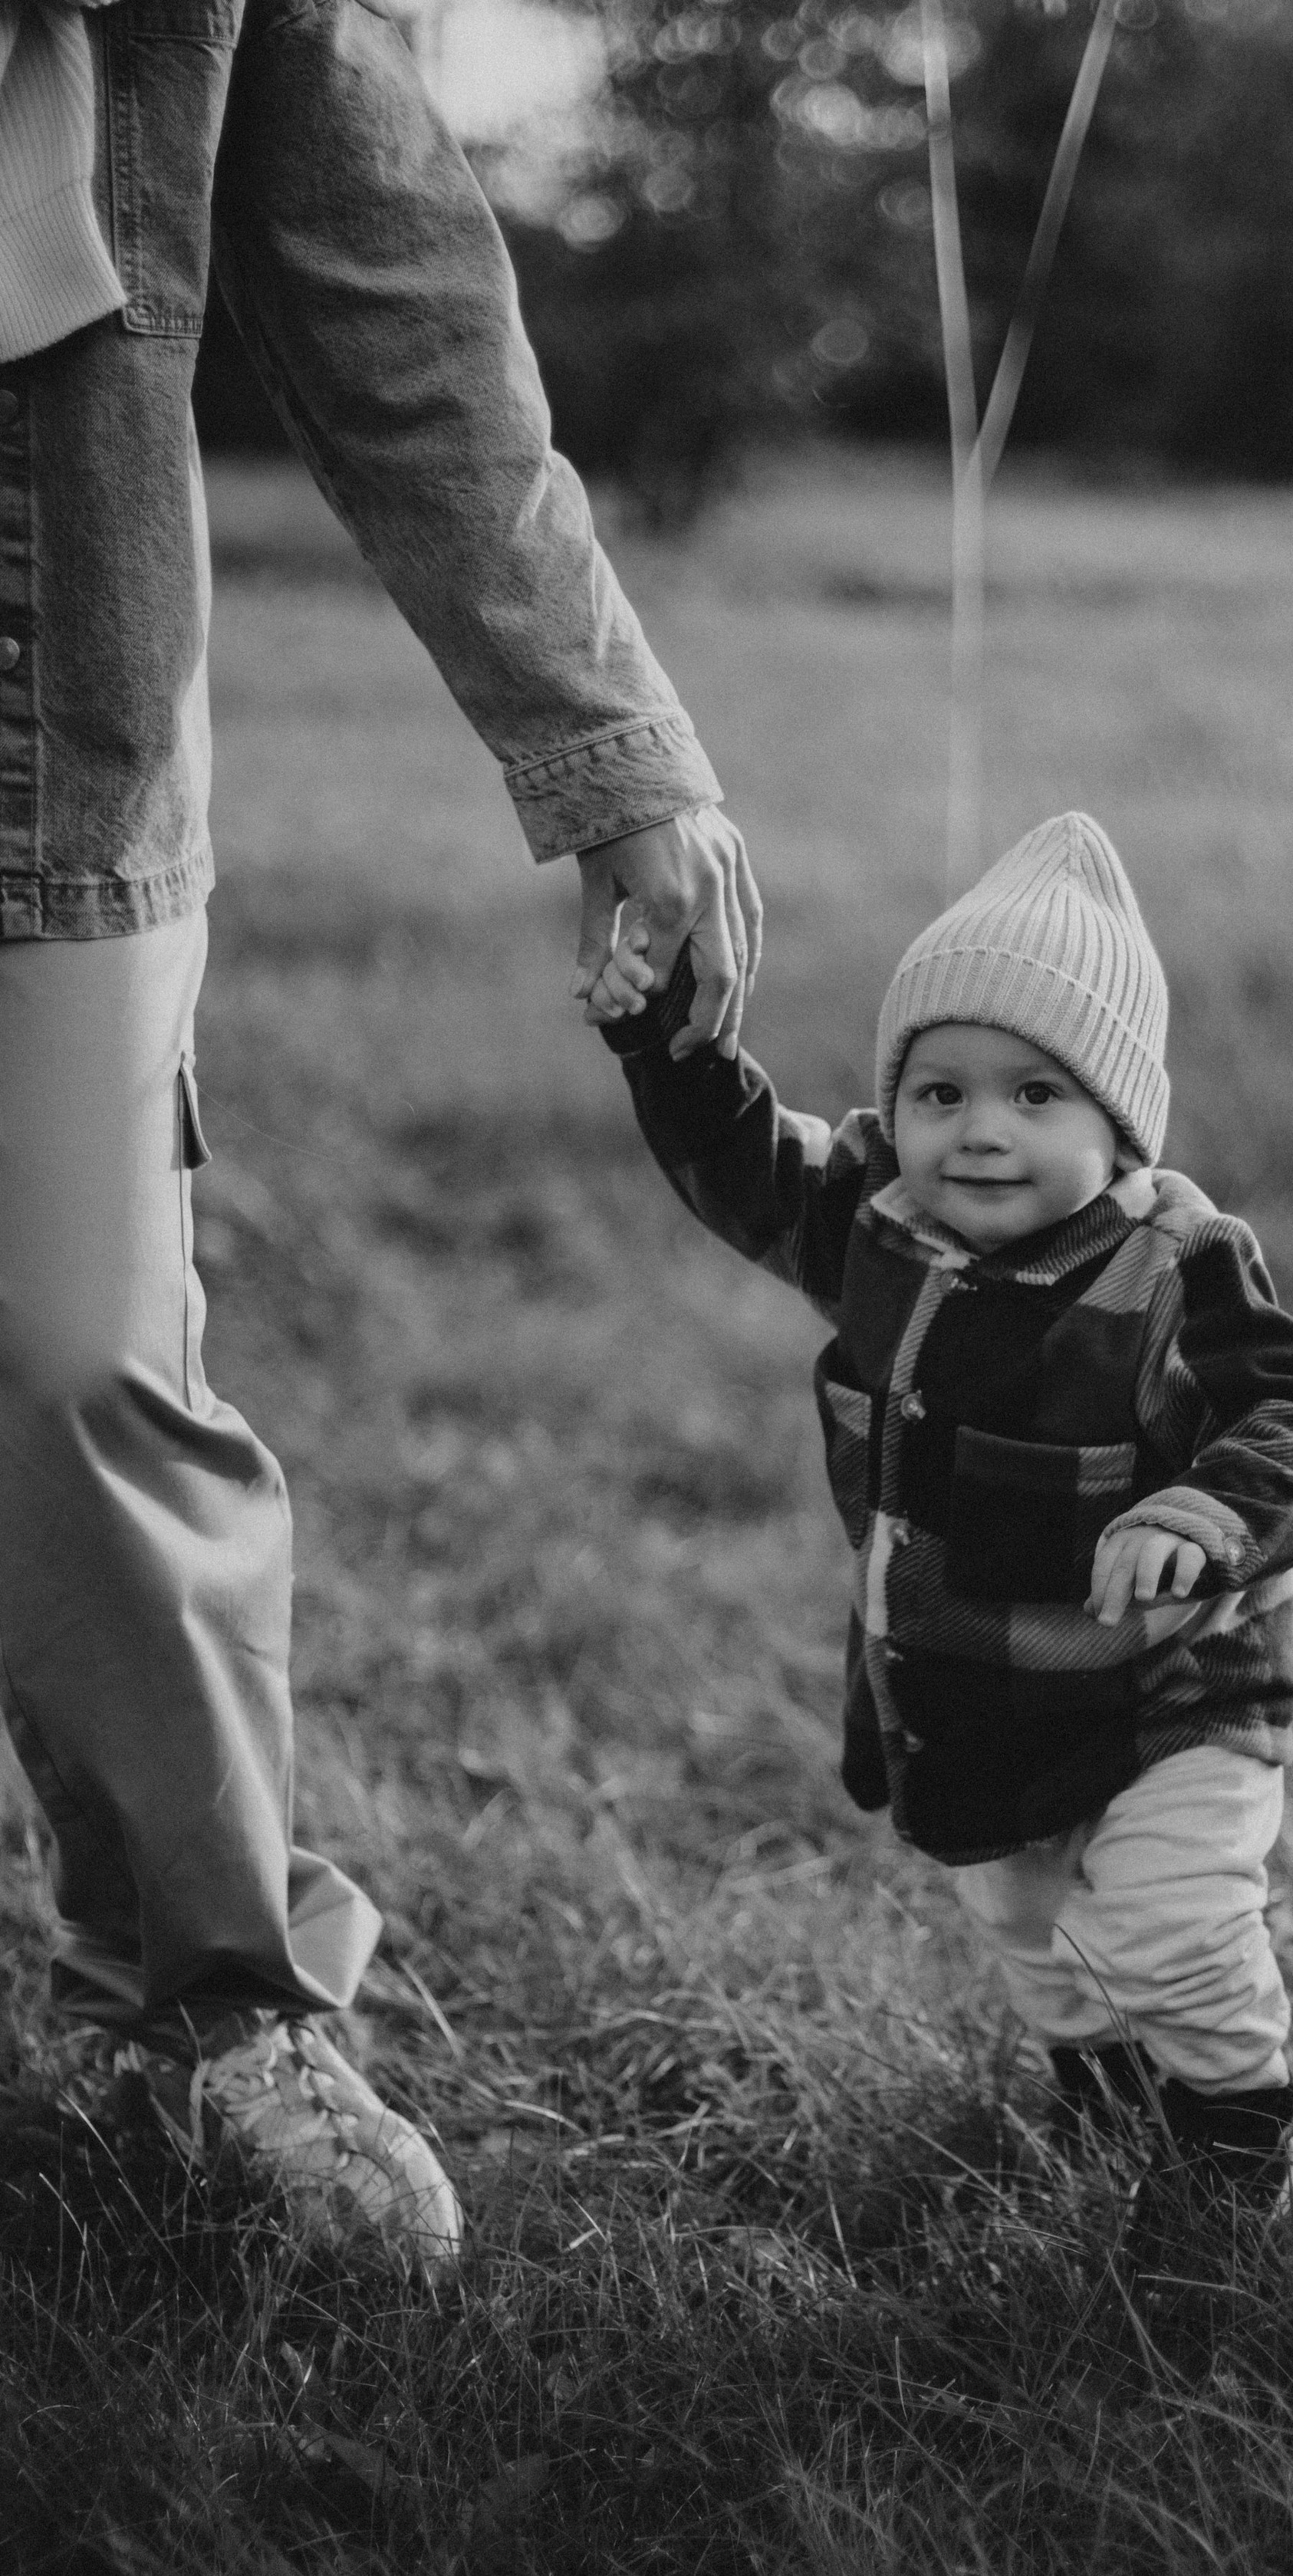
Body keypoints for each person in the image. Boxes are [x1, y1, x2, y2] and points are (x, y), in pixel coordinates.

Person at [0, 0, 761, 2268]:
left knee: (73, 1355)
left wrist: (617, 753)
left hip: (44, 727)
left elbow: (392, 272)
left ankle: (219, 2019)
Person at [582, 811, 1293, 2245]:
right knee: (1037, 1940)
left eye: (1034, 1095)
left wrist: (1203, 1509)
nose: (977, 1129)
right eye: (938, 1091)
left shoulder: (1174, 1262)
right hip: (975, 1687)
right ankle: (1106, 2099)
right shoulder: (880, 1222)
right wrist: (672, 1052)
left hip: (1173, 1692)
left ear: (1119, 1120)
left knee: (1175, 1932)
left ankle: (1233, 2152)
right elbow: (747, 1172)